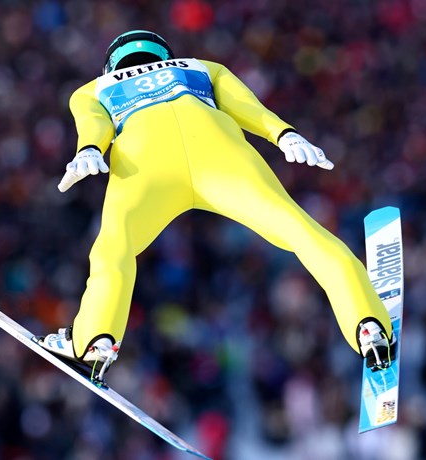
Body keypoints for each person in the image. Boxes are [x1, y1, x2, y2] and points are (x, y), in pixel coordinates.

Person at [35, 30, 395, 382]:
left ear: (110, 66)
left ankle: (96, 339)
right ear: (165, 54)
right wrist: (283, 133)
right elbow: (245, 105)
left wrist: (89, 150)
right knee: (300, 231)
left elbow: (93, 123)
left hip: (145, 163)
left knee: (113, 249)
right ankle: (368, 325)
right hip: (220, 154)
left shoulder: (93, 88)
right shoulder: (201, 66)